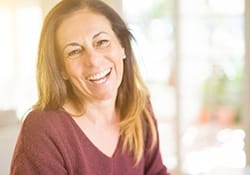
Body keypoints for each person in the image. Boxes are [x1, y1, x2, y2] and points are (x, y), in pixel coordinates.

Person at [10, 0, 170, 174]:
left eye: (101, 42)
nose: (93, 60)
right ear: (61, 68)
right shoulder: (43, 130)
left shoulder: (139, 107)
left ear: (122, 46)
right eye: (74, 51)